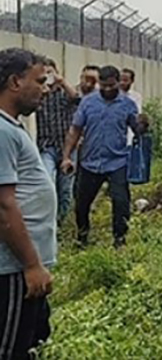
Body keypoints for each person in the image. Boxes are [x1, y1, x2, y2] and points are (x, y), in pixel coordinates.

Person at [0, 48, 57, 358]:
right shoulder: (1, 132)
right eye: (40, 80)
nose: (46, 88)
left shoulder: (10, 128)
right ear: (15, 82)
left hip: (21, 266)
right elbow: (3, 206)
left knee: (33, 341)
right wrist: (32, 265)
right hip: (12, 269)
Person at [61, 66, 143, 249]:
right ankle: (82, 237)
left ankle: (119, 240)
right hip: (90, 162)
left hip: (117, 162)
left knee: (121, 202)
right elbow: (75, 129)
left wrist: (142, 126)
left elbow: (136, 129)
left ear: (117, 82)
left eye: (111, 85)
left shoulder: (127, 104)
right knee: (82, 204)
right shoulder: (88, 103)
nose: (107, 89)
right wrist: (66, 156)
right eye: (103, 85)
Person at [35, 60, 79, 225]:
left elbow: (77, 98)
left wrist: (62, 82)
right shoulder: (39, 94)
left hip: (67, 147)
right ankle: (49, 220)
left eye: (50, 72)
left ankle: (62, 221)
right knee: (47, 181)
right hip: (47, 146)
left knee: (65, 188)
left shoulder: (64, 93)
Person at [120, 68, 142, 146]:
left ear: (132, 81)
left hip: (129, 136)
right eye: (120, 80)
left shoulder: (136, 97)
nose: (122, 83)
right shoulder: (114, 96)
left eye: (125, 80)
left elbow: (137, 115)